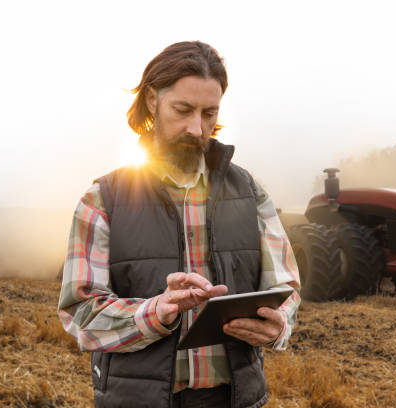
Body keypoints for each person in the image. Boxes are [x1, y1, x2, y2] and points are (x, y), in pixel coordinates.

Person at [58, 41, 301, 408]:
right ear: (153, 101)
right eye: (183, 109)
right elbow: (81, 313)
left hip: (235, 398)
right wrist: (155, 312)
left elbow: (286, 288)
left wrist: (278, 324)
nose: (196, 127)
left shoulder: (250, 191)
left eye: (209, 113)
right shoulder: (102, 199)